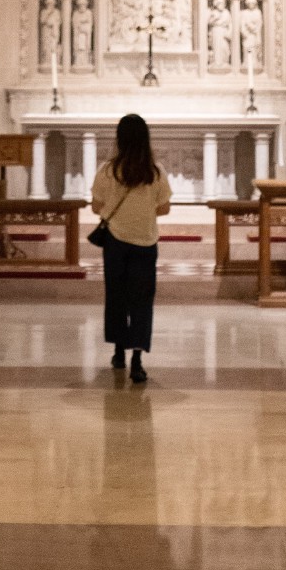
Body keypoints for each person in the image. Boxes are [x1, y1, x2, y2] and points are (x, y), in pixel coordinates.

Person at [91, 114, 171, 384]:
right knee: (142, 300)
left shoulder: (108, 170)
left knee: (116, 296)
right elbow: (164, 208)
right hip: (145, 241)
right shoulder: (155, 172)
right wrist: (143, 212)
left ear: (120, 139)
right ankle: (137, 359)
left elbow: (96, 206)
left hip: (115, 241)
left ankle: (118, 353)